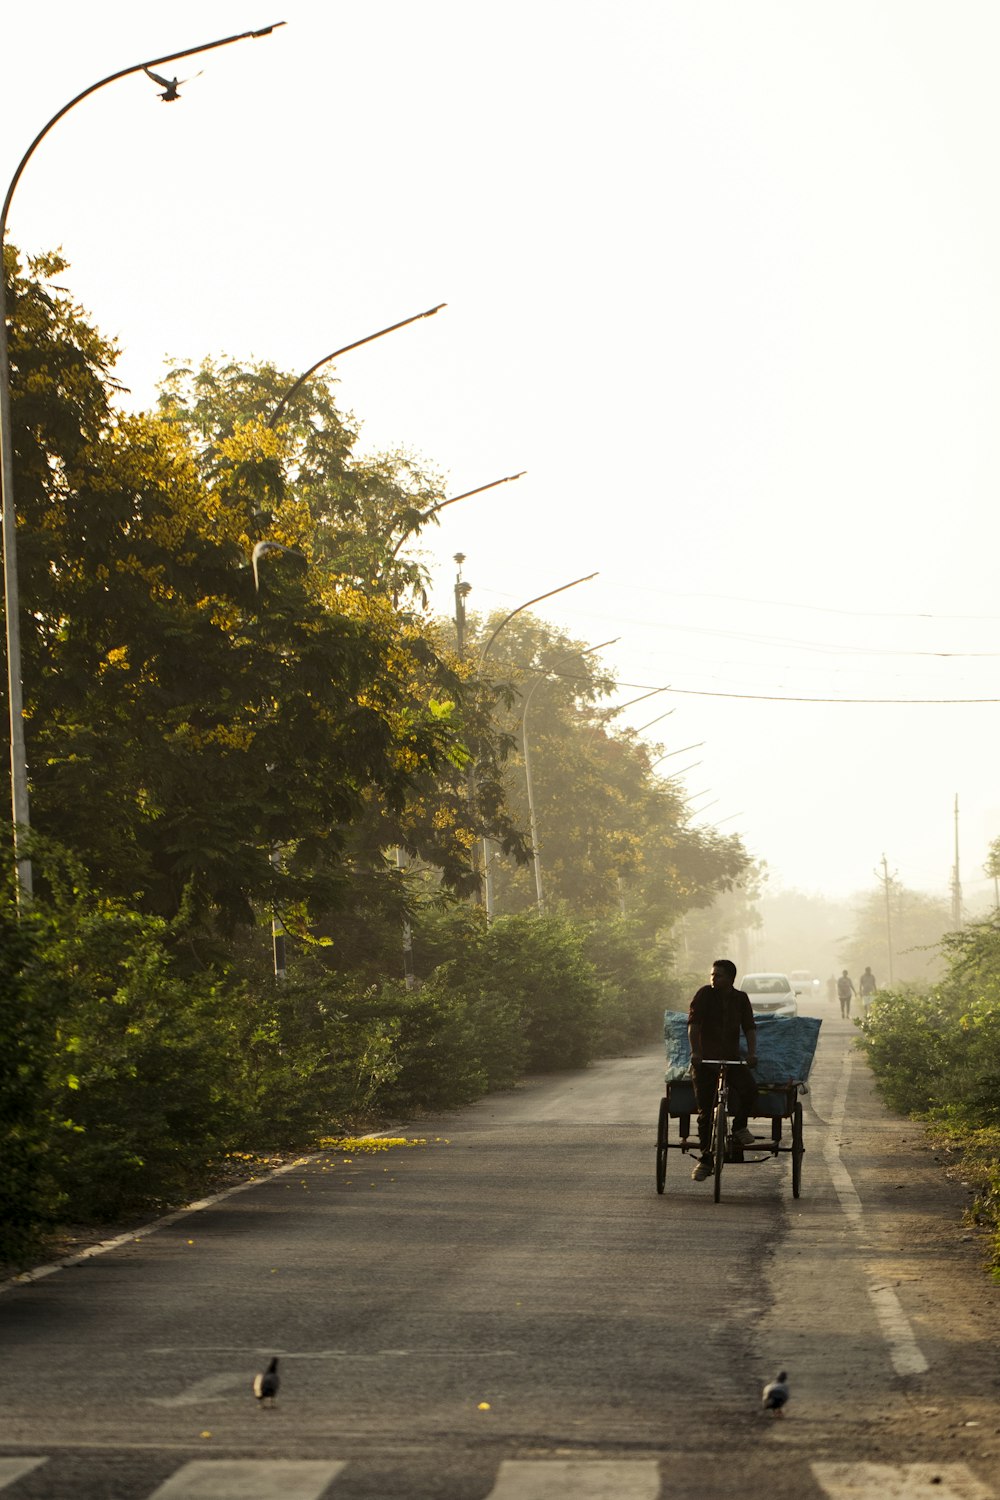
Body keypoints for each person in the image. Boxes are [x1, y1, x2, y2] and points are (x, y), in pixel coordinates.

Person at [688, 958, 758, 1182]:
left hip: (731, 1059)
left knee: (750, 1090)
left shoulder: (740, 999)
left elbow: (749, 1027)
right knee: (706, 1112)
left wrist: (751, 1054)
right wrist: (696, 1053)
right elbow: (694, 1025)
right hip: (705, 1062)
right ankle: (706, 1157)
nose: (713, 979)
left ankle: (739, 1127)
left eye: (718, 975)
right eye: (712, 975)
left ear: (730, 979)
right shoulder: (704, 995)